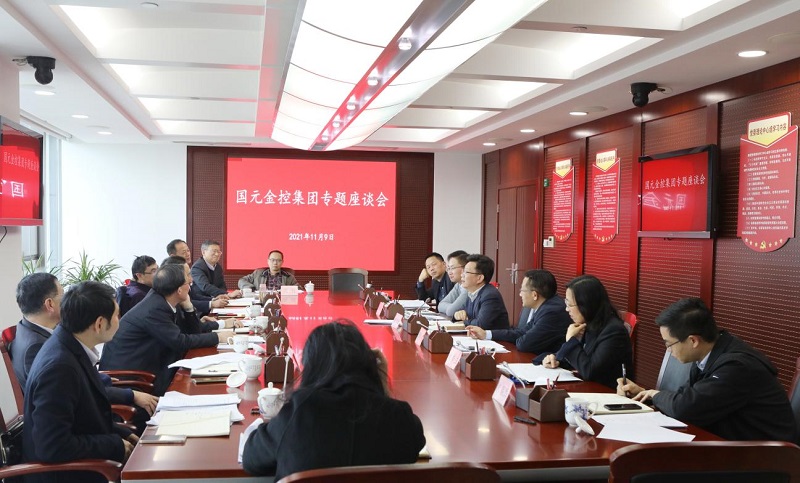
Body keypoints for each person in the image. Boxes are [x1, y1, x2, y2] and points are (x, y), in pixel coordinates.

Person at [242, 320, 426, 481]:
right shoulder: (400, 419)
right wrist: (381, 386)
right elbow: (413, 446)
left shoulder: (300, 411)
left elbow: (251, 459)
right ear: (369, 364)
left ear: (312, 367)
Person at [618, 298, 796, 442]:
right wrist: (644, 394)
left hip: (763, 458)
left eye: (669, 344)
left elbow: (686, 408)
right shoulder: (711, 354)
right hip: (731, 446)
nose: (668, 351)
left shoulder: (736, 367)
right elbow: (688, 397)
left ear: (693, 341)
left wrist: (655, 395)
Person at [23, 281, 137, 483]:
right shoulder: (59, 368)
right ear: (99, 324)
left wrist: (121, 432)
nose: (119, 320)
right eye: (117, 315)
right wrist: (113, 444)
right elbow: (52, 446)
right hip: (67, 475)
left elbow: (84, 417)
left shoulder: (70, 345)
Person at [10, 273, 158, 427]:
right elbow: (62, 391)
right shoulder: (39, 349)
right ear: (50, 304)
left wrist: (100, 378)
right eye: (62, 294)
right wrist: (130, 395)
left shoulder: (31, 331)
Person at [100, 264, 233, 395]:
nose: (191, 284)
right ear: (179, 290)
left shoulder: (165, 298)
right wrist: (218, 337)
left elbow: (192, 332)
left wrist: (189, 308)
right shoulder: (154, 309)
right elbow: (179, 342)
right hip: (132, 379)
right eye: (188, 282)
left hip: (152, 366)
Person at [537, 275, 632, 389]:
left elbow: (589, 371)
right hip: (586, 389)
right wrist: (555, 359)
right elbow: (578, 358)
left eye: (570, 305)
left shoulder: (614, 331)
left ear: (586, 304)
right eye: (566, 303)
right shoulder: (588, 323)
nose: (567, 309)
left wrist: (571, 340)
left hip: (606, 393)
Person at [467, 269, 572, 354]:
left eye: (522, 290)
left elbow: (524, 344)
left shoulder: (552, 311)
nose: (520, 294)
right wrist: (486, 334)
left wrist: (520, 338)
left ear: (534, 295)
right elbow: (521, 332)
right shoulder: (545, 306)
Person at [161, 255, 242, 332]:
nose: (191, 279)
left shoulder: (217, 267)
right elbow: (182, 338)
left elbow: (189, 328)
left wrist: (213, 300)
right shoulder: (162, 307)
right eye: (188, 275)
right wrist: (219, 335)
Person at [167, 239, 229, 314]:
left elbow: (194, 296)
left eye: (188, 250)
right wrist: (211, 303)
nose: (188, 254)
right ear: (173, 256)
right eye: (184, 252)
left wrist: (213, 299)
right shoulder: (172, 277)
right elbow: (183, 302)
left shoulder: (217, 266)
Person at [453, 254, 509, 330]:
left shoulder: (490, 296)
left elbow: (481, 324)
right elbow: (460, 313)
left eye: (466, 272)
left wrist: (464, 322)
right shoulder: (472, 293)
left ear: (479, 278)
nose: (462, 275)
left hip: (494, 337)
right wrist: (456, 315)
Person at [437, 250, 469, 317]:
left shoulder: (469, 287)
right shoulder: (458, 285)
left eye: (452, 268)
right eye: (448, 268)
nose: (449, 272)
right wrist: (452, 307)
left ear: (465, 268)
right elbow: (440, 305)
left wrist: (452, 308)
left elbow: (451, 311)